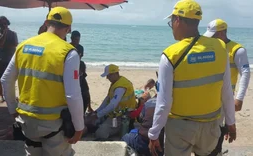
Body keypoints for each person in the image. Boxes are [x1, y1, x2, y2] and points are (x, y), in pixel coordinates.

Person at [148, 1, 236, 156]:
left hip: (180, 128)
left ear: (177, 21)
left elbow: (164, 103)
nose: (172, 27)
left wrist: (153, 134)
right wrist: (231, 122)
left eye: (171, 23)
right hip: (211, 125)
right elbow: (227, 91)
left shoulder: (170, 55)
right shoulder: (220, 48)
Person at [1, 7, 84, 156]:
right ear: (69, 28)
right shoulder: (69, 53)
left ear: (46, 23)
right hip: (53, 124)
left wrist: (12, 109)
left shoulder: (24, 45)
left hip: (26, 120)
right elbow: (73, 95)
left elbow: (6, 79)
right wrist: (79, 127)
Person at [203, 19, 251, 155]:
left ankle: (215, 151)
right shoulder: (210, 47)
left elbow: (246, 73)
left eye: (214, 35)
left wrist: (239, 98)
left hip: (225, 98)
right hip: (210, 97)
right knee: (210, 129)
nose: (211, 38)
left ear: (222, 33)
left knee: (216, 130)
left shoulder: (237, 50)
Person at [92, 64, 137, 140]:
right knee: (94, 122)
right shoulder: (116, 83)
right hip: (114, 114)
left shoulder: (120, 86)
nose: (107, 78)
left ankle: (120, 129)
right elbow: (107, 99)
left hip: (122, 116)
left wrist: (98, 115)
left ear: (115, 74)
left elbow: (113, 105)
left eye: (109, 76)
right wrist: (97, 112)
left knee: (100, 134)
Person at [0, 16, 18, 102]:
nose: (4, 25)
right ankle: (1, 96)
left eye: (5, 23)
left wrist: (2, 45)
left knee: (11, 78)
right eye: (2, 24)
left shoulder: (13, 33)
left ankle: (11, 96)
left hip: (11, 60)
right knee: (0, 78)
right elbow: (0, 44)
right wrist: (5, 34)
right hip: (1, 59)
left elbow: (15, 44)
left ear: (7, 23)